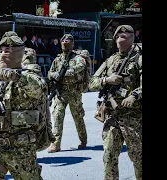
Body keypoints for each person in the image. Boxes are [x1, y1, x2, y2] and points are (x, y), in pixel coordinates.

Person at [0, 31, 47, 180]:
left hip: (21, 150)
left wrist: (15, 75)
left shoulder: (30, 76)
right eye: (1, 50)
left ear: (18, 52)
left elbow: (38, 89)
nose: (3, 54)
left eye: (8, 50)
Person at [89, 25, 142, 180]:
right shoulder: (110, 60)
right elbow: (91, 83)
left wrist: (134, 95)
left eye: (126, 33)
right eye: (119, 33)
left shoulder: (139, 58)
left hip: (134, 117)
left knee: (138, 159)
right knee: (109, 157)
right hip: (112, 117)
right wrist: (107, 79)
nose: (122, 35)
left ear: (133, 38)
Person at [47, 34, 88, 153]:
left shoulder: (77, 57)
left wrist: (71, 71)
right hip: (61, 92)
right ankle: (55, 144)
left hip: (74, 92)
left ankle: (83, 140)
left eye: (68, 41)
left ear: (72, 44)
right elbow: (50, 72)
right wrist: (53, 75)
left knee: (78, 117)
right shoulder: (58, 59)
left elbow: (82, 65)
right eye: (63, 40)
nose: (65, 42)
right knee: (58, 116)